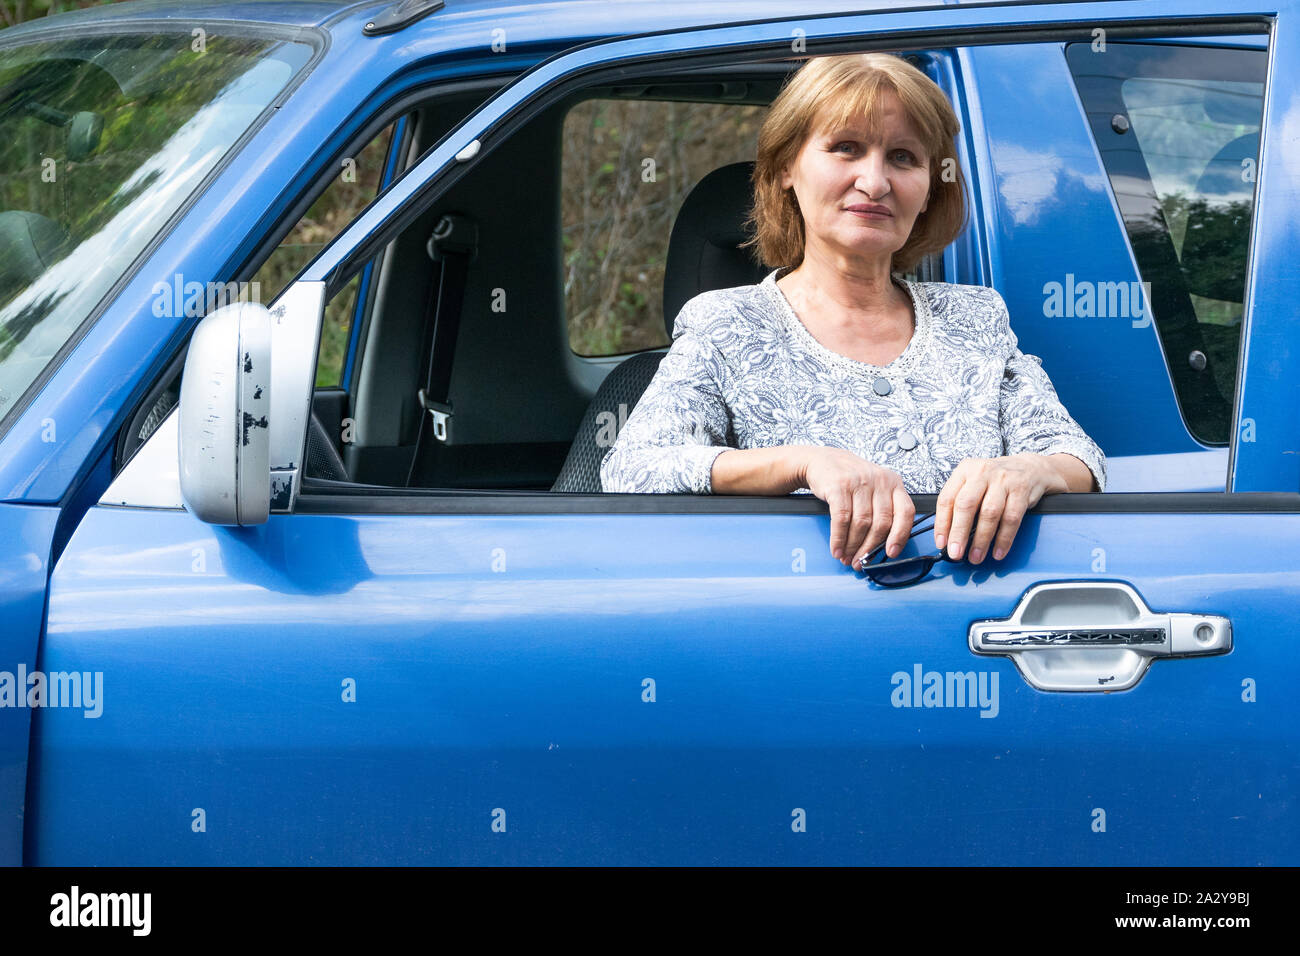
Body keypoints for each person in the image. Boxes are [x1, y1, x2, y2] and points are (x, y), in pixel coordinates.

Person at [599, 52, 1105, 574]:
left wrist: (1028, 470)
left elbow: (1076, 455)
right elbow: (634, 469)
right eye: (846, 148)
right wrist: (802, 462)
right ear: (784, 170)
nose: (875, 181)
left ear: (931, 187)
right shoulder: (728, 325)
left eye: (904, 158)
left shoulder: (976, 318)